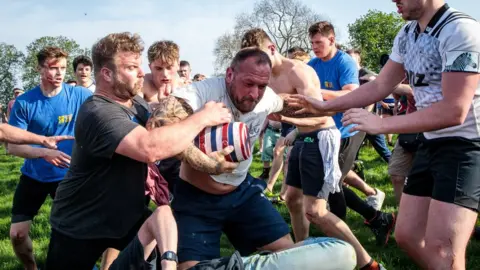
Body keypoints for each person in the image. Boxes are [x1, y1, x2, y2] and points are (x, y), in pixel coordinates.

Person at [288, 1, 480, 268]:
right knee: (407, 235)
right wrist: (325, 105)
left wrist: (380, 124)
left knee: (444, 249)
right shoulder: (407, 34)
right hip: (430, 140)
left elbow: (454, 110)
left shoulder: (460, 29)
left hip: (466, 144)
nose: (393, 0)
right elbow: (380, 84)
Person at [44, 32, 232, 270]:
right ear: (107, 74)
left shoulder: (138, 105)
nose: (142, 73)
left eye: (139, 66)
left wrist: (207, 161)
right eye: (132, 67)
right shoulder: (97, 112)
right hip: (80, 223)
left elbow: (168, 140)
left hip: (127, 217)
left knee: (171, 250)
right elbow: (150, 148)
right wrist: (203, 118)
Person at [167, 48, 355, 270]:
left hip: (242, 192)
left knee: (287, 255)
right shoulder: (202, 93)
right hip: (196, 199)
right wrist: (205, 163)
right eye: (248, 84)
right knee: (190, 268)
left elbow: (297, 105)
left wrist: (341, 107)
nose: (255, 94)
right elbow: (160, 124)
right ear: (230, 75)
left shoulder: (266, 98)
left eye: (262, 86)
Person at [240, 28, 385, 270]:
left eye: (260, 58)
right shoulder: (264, 75)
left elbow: (321, 117)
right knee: (293, 200)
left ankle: (367, 264)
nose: (257, 65)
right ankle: (304, 257)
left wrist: (284, 120)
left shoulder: (299, 72)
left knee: (316, 212)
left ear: (272, 49)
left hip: (321, 137)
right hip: (301, 138)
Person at [7, 46, 93, 270]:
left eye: (63, 68)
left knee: (74, 231)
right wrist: (43, 152)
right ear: (39, 68)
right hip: (34, 175)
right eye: (53, 68)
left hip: (68, 177)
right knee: (17, 234)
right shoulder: (25, 102)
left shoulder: (81, 95)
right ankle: (31, 268)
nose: (59, 74)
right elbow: (12, 148)